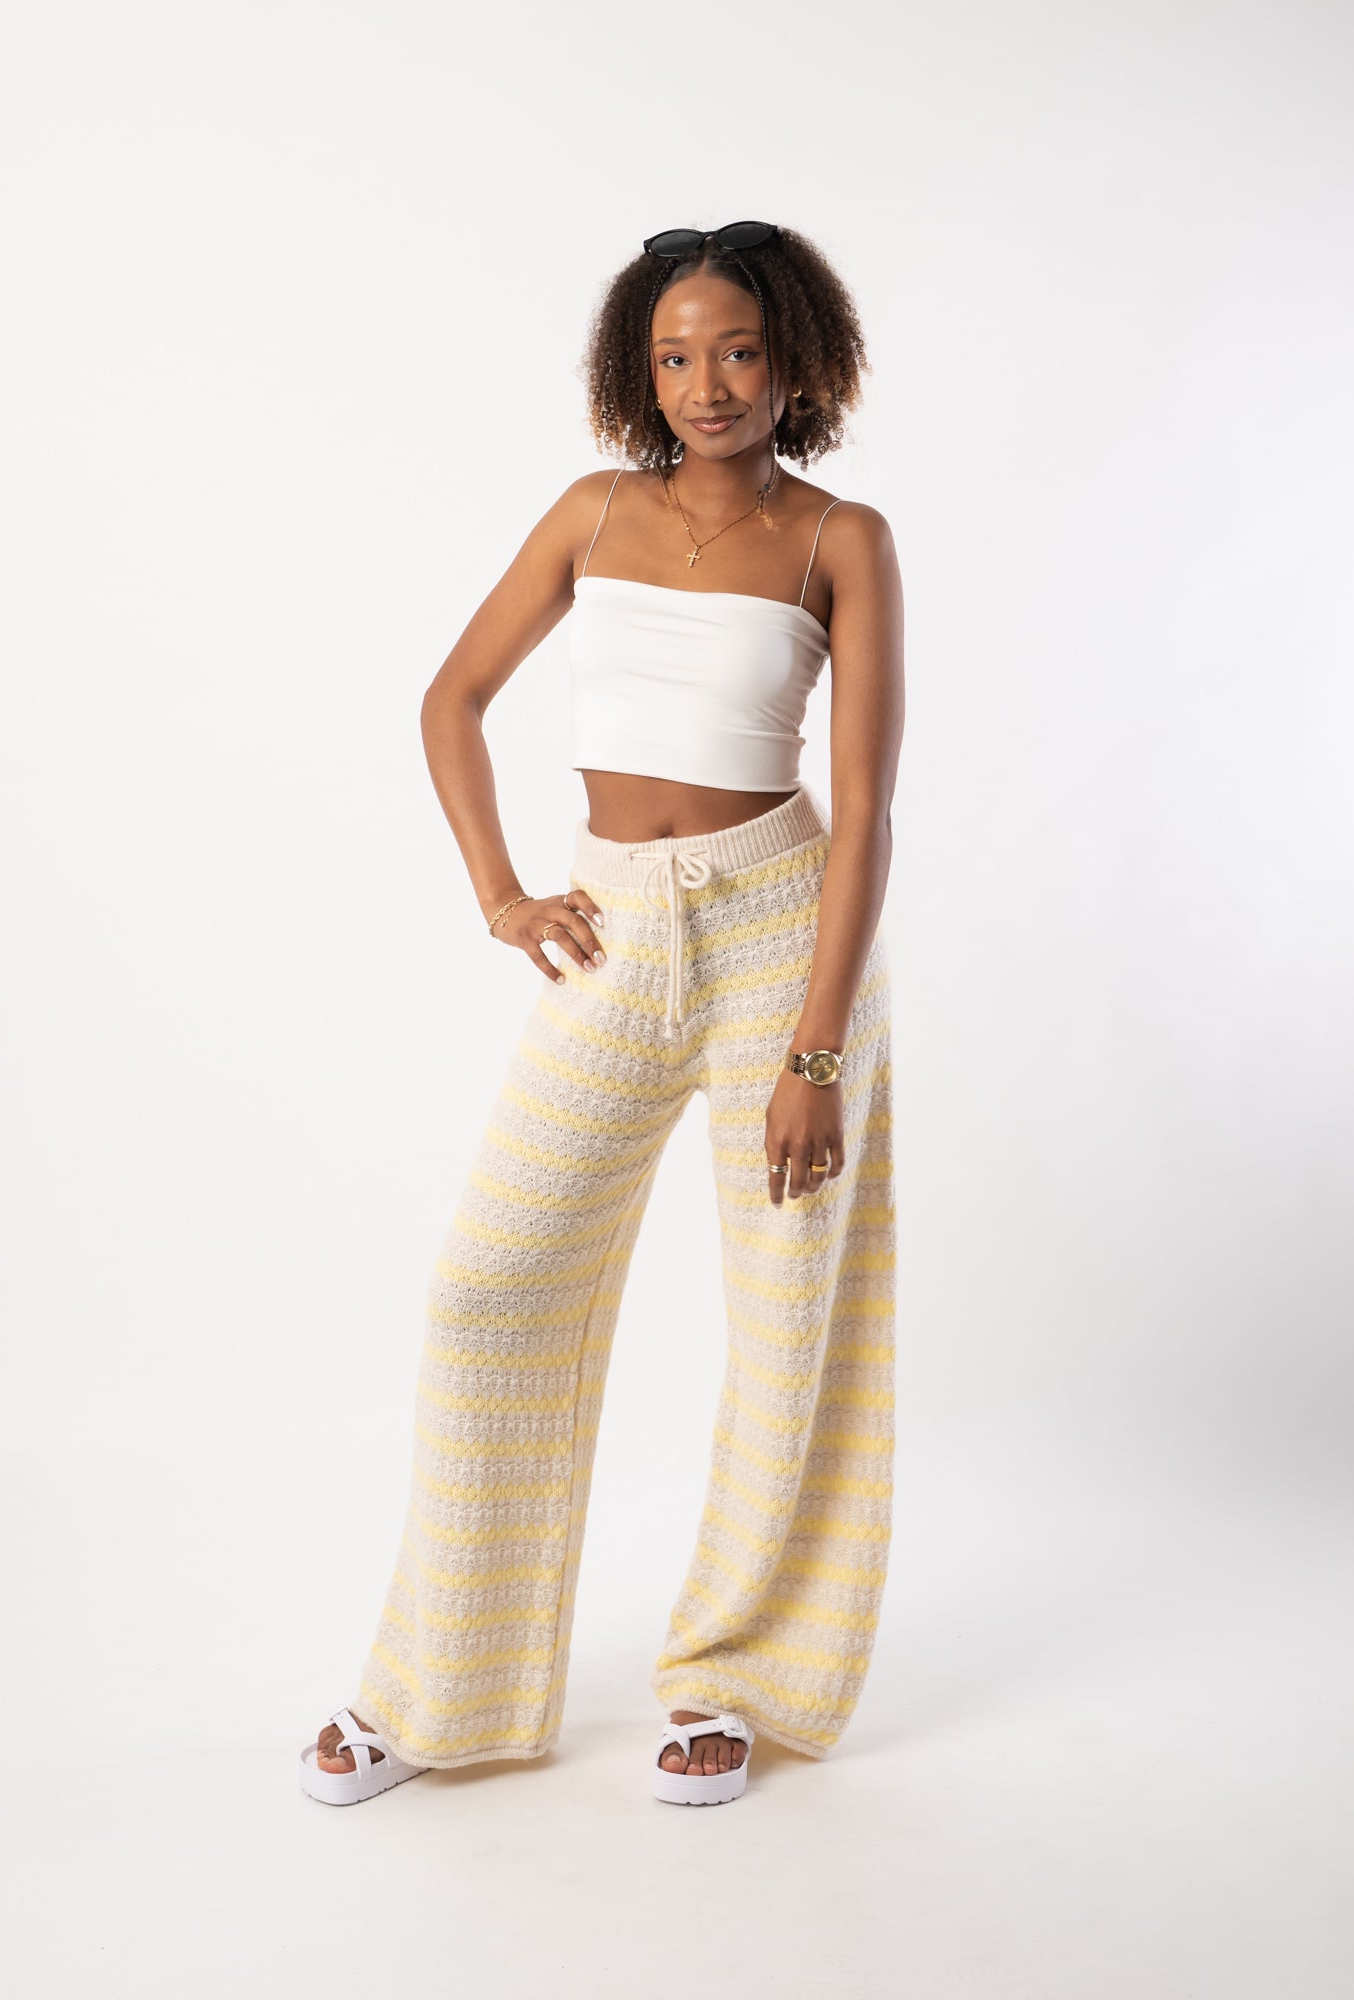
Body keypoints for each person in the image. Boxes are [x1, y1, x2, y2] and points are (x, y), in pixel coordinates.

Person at [299, 219, 905, 1809]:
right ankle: (440, 1687)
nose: (708, 384)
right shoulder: (592, 513)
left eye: (738, 352)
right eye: (675, 356)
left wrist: (816, 1050)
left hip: (783, 934)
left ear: (793, 362)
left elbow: (864, 810)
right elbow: (450, 698)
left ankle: (735, 1681)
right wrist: (502, 894)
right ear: (640, 373)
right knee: (488, 1289)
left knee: (788, 1325)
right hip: (612, 932)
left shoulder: (840, 538)